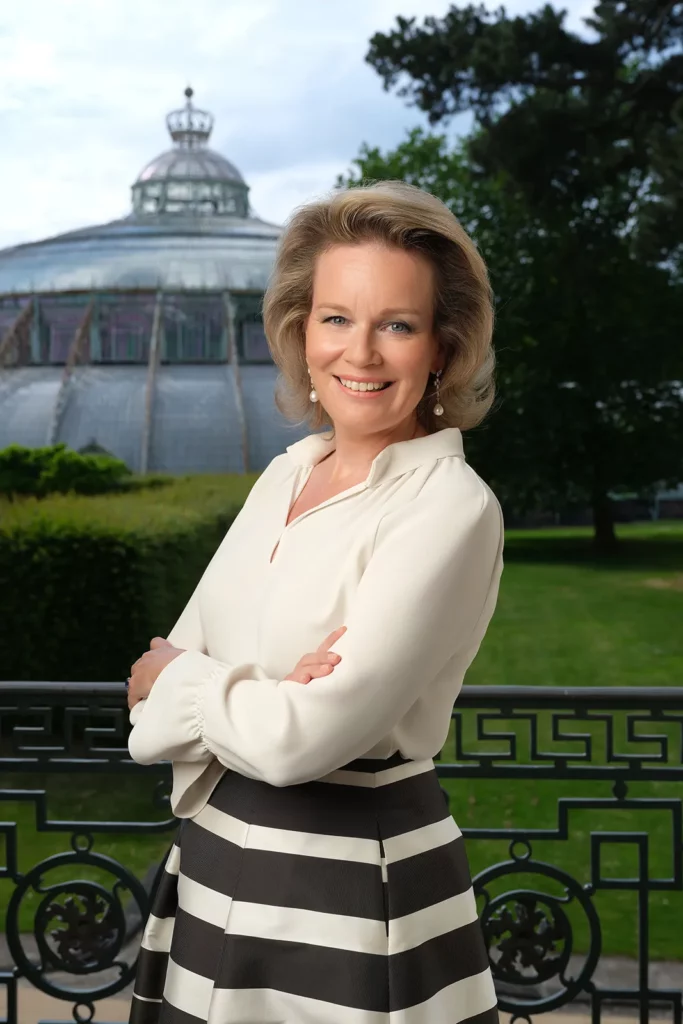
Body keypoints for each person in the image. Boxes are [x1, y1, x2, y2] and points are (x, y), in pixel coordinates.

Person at [126, 180, 504, 1024]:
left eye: (395, 325)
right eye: (336, 318)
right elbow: (143, 719)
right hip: (214, 861)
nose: (359, 353)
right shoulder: (285, 471)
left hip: (350, 891)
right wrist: (248, 693)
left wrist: (193, 680)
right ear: (301, 333)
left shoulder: (449, 505)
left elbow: (298, 742)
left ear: (442, 346)